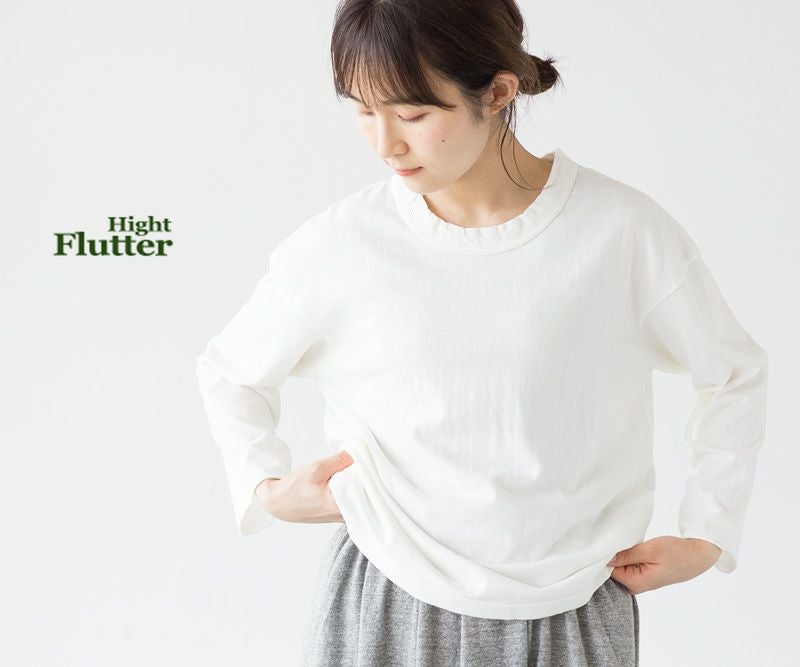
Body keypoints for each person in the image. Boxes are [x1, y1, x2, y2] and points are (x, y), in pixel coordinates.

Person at [194, 1, 769, 665]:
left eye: (413, 114)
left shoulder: (622, 232)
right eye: (363, 109)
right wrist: (265, 486)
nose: (385, 143)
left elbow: (733, 372)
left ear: (497, 92)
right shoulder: (344, 244)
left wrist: (708, 531)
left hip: (572, 605)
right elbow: (231, 371)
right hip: (389, 599)